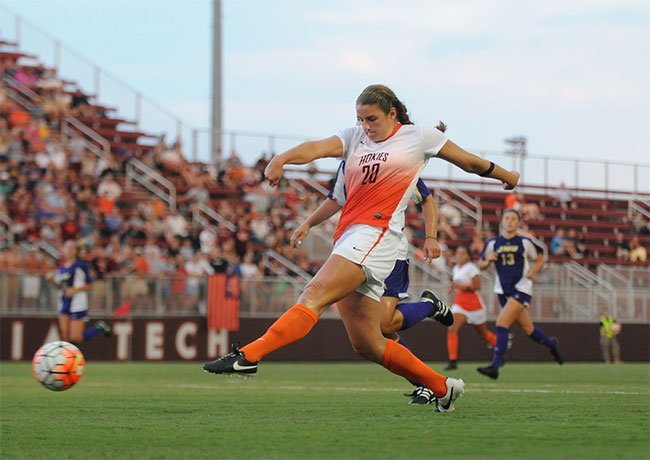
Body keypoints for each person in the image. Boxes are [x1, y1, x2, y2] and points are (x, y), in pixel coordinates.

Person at [203, 84, 519, 413]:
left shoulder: (417, 137)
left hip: (377, 234)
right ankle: (443, 388)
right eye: (360, 119)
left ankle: (249, 356)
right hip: (351, 236)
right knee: (368, 343)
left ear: (392, 114)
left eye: (372, 119)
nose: (366, 126)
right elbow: (316, 148)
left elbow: (468, 162)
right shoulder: (355, 138)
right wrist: (282, 159)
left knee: (315, 293)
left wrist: (505, 175)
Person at [291, 161, 452, 405]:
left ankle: (429, 306)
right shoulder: (349, 162)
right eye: (359, 121)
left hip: (389, 249)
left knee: (384, 324)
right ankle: (424, 384)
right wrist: (308, 223)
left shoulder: (394, 159)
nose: (364, 128)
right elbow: (337, 198)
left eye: (367, 120)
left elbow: (426, 199)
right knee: (377, 333)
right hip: (356, 248)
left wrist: (431, 237)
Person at [477, 209, 564, 380]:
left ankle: (495, 366)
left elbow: (540, 260)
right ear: (502, 222)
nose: (509, 221)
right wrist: (488, 261)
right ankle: (552, 344)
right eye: (506, 218)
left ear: (518, 223)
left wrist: (533, 272)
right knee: (528, 329)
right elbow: (480, 264)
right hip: (503, 291)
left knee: (502, 322)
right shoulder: (493, 243)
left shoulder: (524, 242)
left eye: (513, 219)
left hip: (521, 289)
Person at [46, 240, 111, 345]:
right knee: (65, 337)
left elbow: (90, 284)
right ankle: (67, 361)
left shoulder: (80, 266)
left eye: (72, 248)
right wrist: (51, 280)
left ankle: (99, 329)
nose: (69, 251)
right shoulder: (62, 268)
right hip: (64, 301)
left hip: (78, 302)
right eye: (67, 248)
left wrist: (75, 290)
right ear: (63, 250)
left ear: (76, 251)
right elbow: (59, 286)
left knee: (76, 337)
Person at [445, 245, 498, 370]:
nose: (459, 256)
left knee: (483, 334)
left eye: (462, 253)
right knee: (452, 328)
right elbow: (457, 282)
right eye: (458, 253)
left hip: (474, 305)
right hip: (460, 303)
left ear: (468, 256)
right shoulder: (456, 268)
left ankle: (501, 349)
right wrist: (453, 287)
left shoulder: (471, 268)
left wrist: (463, 287)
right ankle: (453, 361)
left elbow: (477, 286)